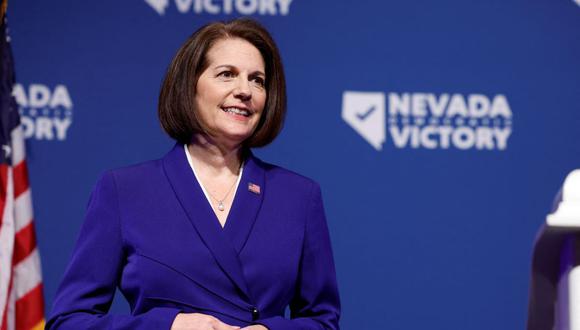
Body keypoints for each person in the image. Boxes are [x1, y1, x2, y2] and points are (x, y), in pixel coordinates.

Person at [47, 18, 340, 330]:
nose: (244, 90)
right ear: (190, 85)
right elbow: (69, 322)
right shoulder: (124, 190)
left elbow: (323, 321)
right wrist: (168, 326)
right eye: (227, 75)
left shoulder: (298, 196)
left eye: (257, 80)